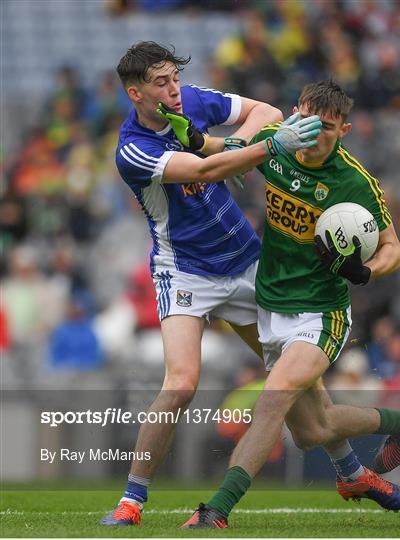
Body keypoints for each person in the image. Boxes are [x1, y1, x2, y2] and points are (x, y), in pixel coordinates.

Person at [181, 80, 400, 529]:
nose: (317, 136)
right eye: (310, 123)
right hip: (271, 306)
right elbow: (230, 152)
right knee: (312, 431)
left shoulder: (355, 182)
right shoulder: (276, 147)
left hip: (322, 314)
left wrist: (365, 271)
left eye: (330, 129)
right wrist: (195, 152)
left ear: (346, 130)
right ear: (295, 113)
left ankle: (216, 511)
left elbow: (394, 249)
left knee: (271, 403)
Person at [100, 41, 322, 526]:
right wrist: (269, 145)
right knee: (180, 385)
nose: (174, 90)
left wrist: (242, 140)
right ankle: (132, 501)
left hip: (245, 262)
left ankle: (350, 470)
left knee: (296, 373)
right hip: (185, 271)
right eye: (161, 83)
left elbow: (265, 109)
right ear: (135, 93)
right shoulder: (132, 149)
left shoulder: (191, 100)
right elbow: (205, 169)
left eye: (175, 78)